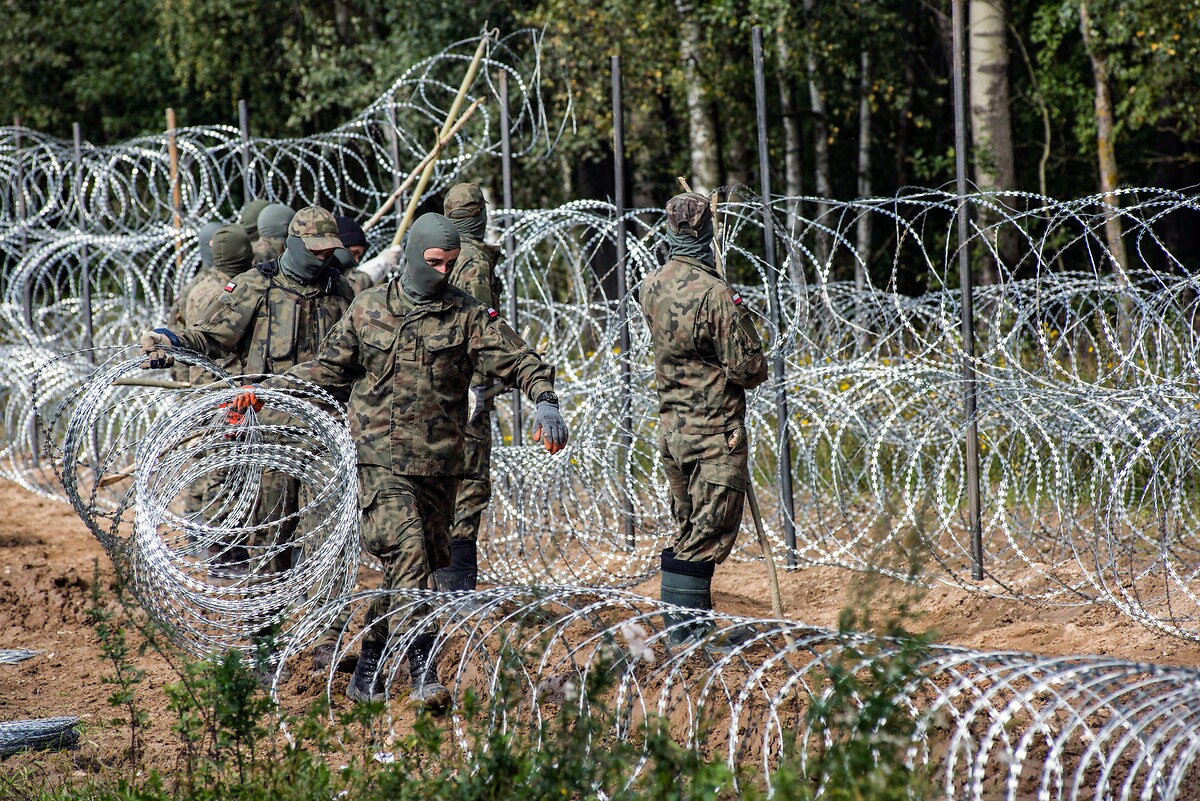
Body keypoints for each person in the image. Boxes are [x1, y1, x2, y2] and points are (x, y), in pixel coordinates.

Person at [229, 212, 568, 710]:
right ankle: (424, 669)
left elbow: (521, 361)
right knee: (409, 554)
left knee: (417, 569)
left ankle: (368, 669)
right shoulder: (368, 310)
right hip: (381, 464)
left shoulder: (467, 315)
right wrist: (265, 391)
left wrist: (546, 401)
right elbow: (326, 369)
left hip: (439, 468)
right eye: (435, 262)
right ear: (411, 256)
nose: (444, 273)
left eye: (451, 264)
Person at [140, 206, 354, 671]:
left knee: (330, 539)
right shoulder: (258, 289)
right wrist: (171, 342)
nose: (322, 260)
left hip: (324, 437)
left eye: (328, 252)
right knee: (269, 542)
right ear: (294, 245)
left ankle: (327, 644)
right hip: (270, 438)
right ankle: (265, 645)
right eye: (315, 251)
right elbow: (214, 336)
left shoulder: (341, 290)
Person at [638, 192, 768, 649]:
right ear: (707, 233)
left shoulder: (650, 285)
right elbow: (749, 370)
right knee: (707, 535)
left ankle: (684, 632)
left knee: (688, 529)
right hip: (715, 435)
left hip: (674, 433)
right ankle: (686, 639)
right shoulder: (716, 294)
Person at [434, 183, 503, 594]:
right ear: (480, 215)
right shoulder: (473, 261)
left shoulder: (436, 252)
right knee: (469, 485)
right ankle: (455, 593)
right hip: (469, 393)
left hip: (443, 385)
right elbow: (479, 333)